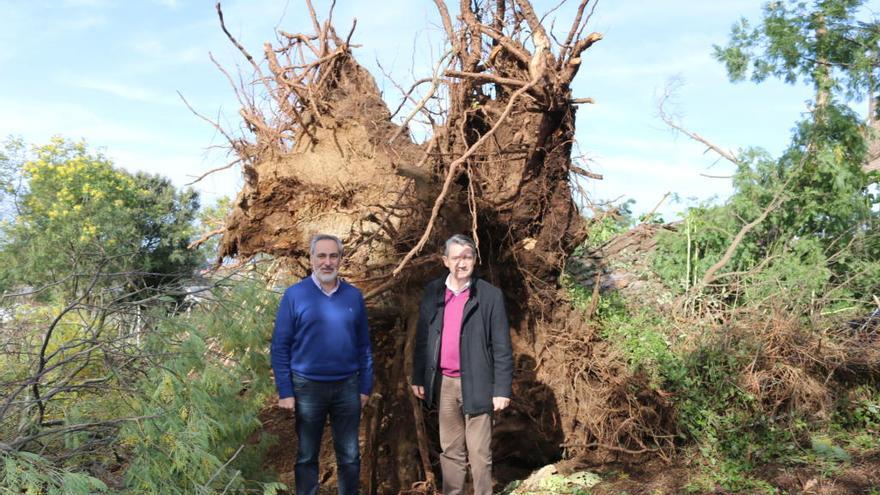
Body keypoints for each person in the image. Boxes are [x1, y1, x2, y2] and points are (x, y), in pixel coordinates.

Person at [411, 234, 514, 495]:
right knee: (451, 452)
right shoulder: (433, 291)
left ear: (475, 260)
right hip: (444, 384)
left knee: (480, 454)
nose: (461, 262)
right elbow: (423, 337)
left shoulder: (489, 295)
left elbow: (502, 345)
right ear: (445, 261)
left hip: (478, 384)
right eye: (455, 257)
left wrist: (501, 389)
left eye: (467, 257)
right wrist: (419, 376)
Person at [271, 234, 373, 495]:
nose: (327, 262)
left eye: (333, 256)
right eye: (321, 256)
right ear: (311, 258)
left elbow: (364, 347)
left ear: (340, 259)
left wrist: (365, 388)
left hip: (347, 387)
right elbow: (280, 346)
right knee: (307, 456)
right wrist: (285, 391)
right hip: (307, 388)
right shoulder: (295, 295)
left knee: (350, 457)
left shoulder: (354, 296)